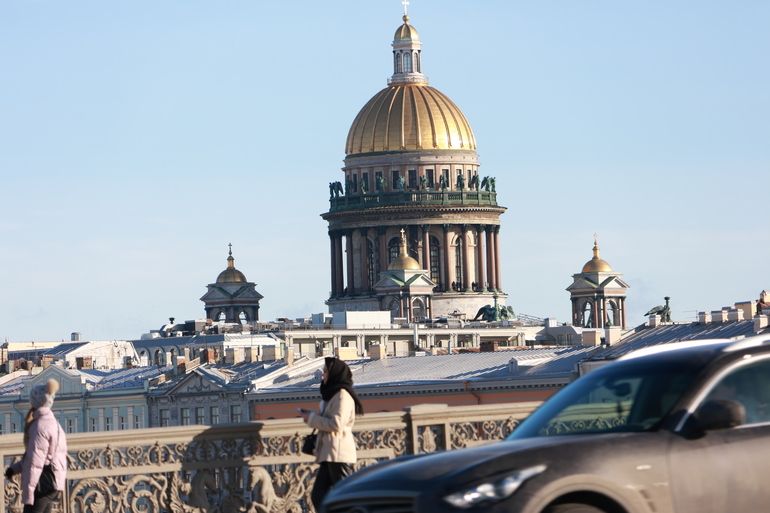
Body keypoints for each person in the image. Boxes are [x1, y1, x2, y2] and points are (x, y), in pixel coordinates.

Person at [299, 357, 364, 511]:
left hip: (339, 454)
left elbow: (336, 424)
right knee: (318, 496)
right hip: (329, 453)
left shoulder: (342, 395)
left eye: (326, 371)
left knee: (345, 497)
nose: (323, 375)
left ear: (335, 374)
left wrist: (313, 418)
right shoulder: (332, 394)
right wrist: (311, 417)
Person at [5, 379, 68, 513]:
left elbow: (35, 462)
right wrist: (14, 469)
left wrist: (29, 491)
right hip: (53, 481)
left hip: (41, 485)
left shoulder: (39, 426)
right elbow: (38, 457)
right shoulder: (54, 424)